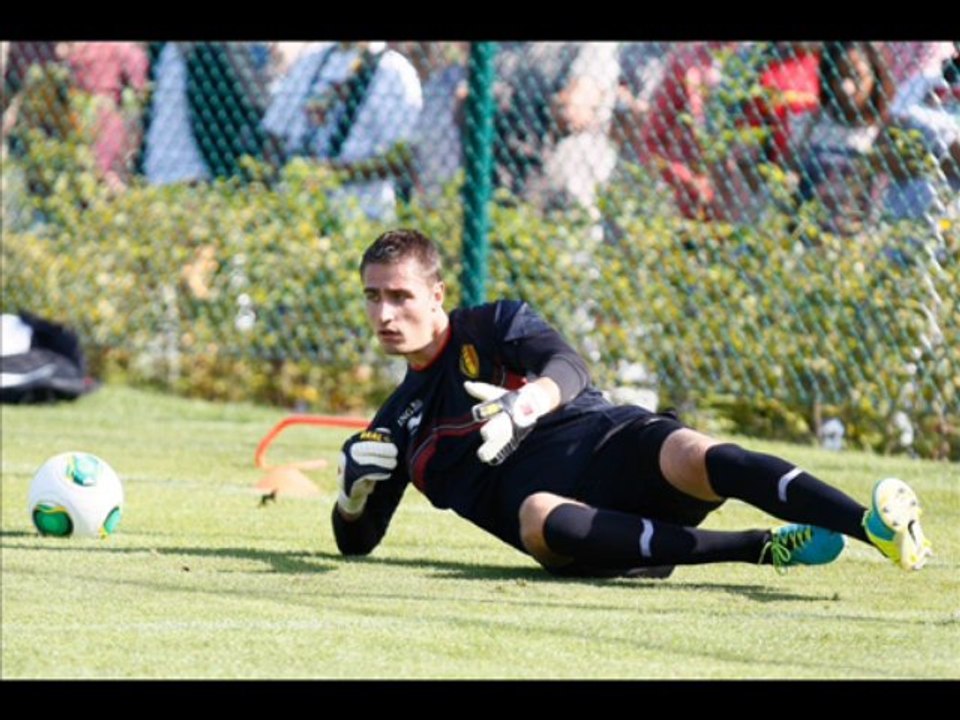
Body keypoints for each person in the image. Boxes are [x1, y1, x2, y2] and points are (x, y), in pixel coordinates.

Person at [332, 228, 933, 578]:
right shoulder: (396, 424)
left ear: (436, 293)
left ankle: (871, 526)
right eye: (372, 298)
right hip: (577, 532)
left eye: (400, 295)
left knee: (692, 450)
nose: (384, 314)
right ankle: (760, 546)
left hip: (613, 445)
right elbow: (356, 545)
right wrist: (350, 499)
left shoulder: (494, 325)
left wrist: (528, 402)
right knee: (542, 515)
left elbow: (570, 367)